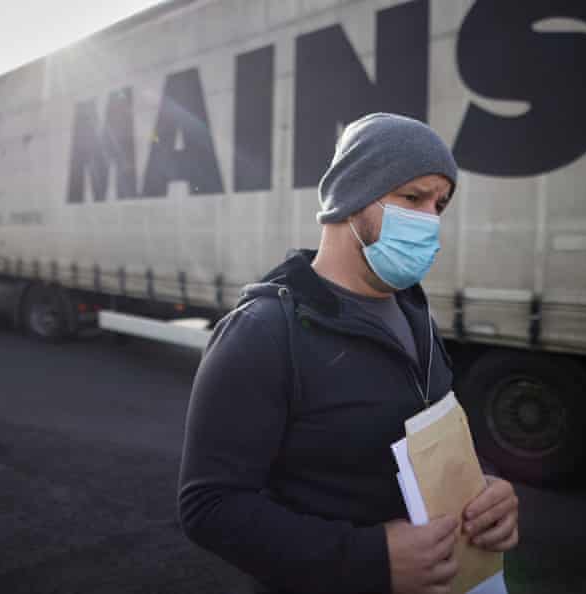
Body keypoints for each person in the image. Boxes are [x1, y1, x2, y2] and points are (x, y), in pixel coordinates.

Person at [178, 113, 519, 594]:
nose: (429, 220)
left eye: (439, 204)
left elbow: (429, 429)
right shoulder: (264, 332)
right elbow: (210, 506)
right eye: (412, 197)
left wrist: (486, 489)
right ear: (351, 197)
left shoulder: (415, 312)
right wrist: (369, 560)